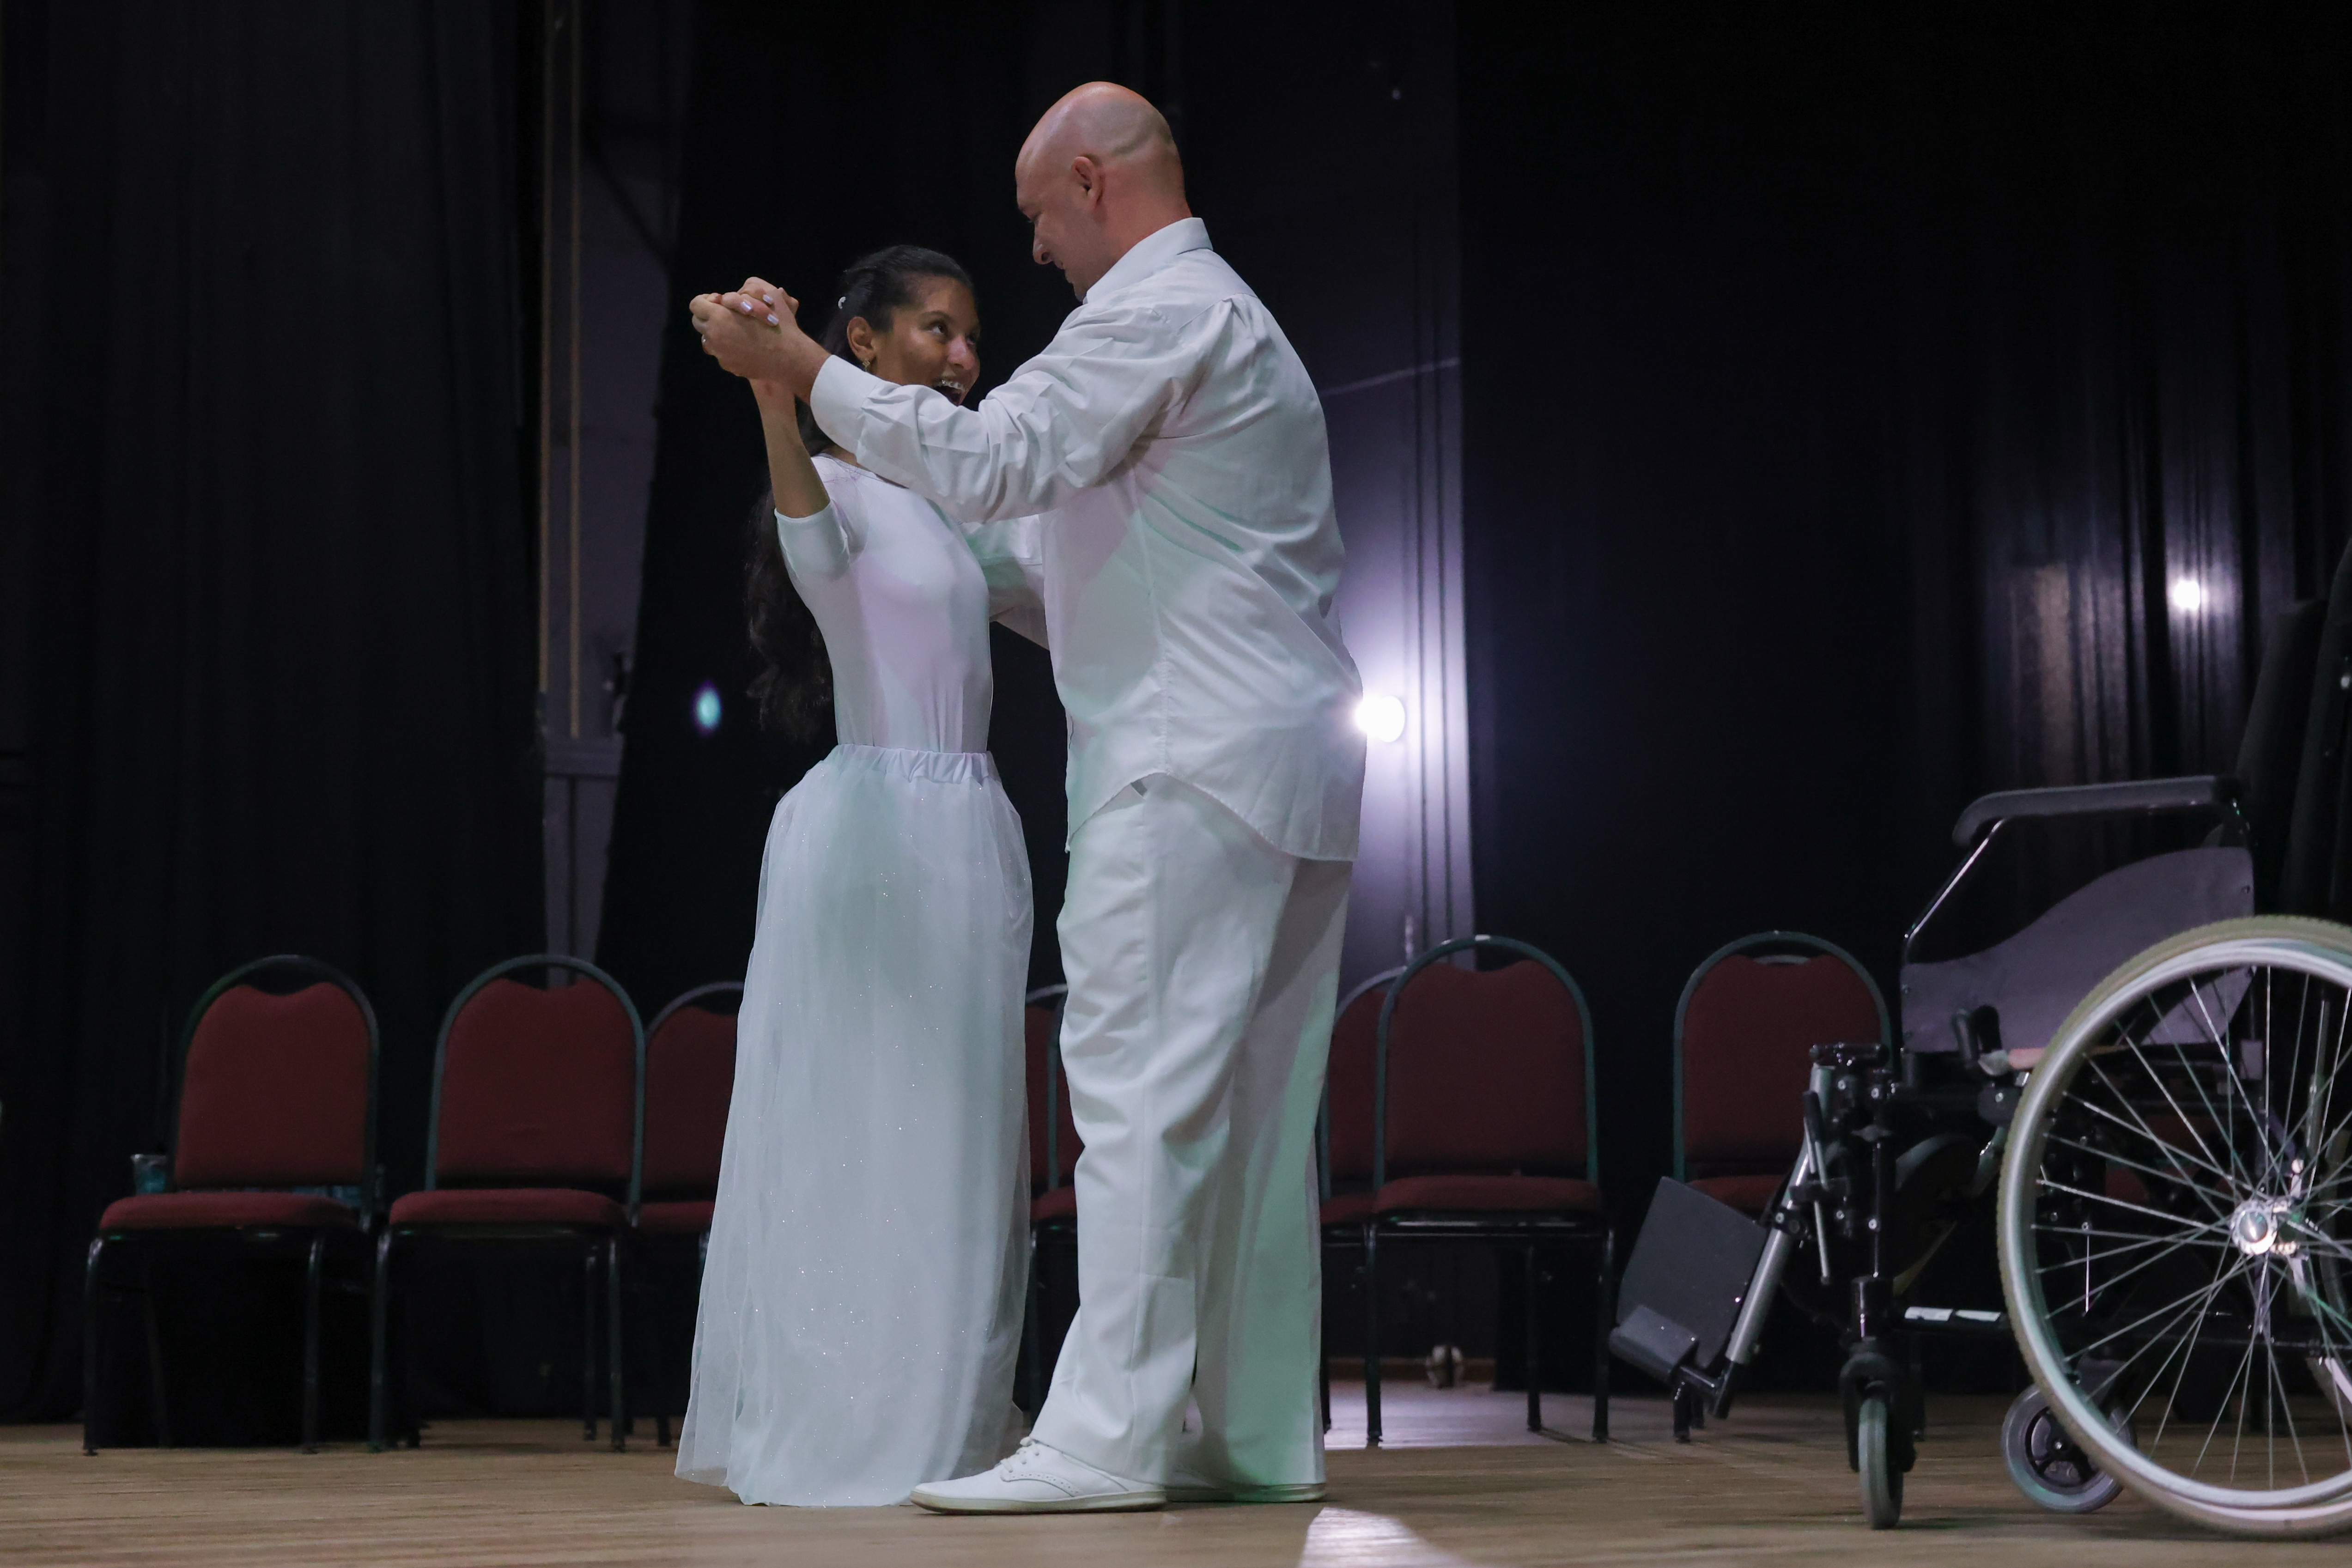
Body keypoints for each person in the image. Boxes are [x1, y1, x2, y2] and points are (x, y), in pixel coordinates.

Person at [691, 83, 1364, 1513]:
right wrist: (834, 435)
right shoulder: (1241, 324)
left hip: (1187, 766)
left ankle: (1108, 1435)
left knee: (1134, 1101)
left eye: (1036, 222)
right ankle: (1239, 1432)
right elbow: (1053, 574)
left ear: (1086, 180)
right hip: (1285, 766)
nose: (1037, 257)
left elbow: (996, 460)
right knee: (1244, 1121)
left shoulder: (1151, 312)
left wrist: (802, 363)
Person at [675, 244, 1045, 1507]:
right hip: (882, 823)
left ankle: (947, 1401)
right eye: (936, 329)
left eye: (969, 334)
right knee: (866, 1124)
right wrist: (775, 386)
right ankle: (853, 1409)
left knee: (954, 1130)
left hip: (963, 823)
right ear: (867, 343)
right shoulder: (832, 483)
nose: (960, 355)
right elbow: (817, 559)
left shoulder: (950, 496)